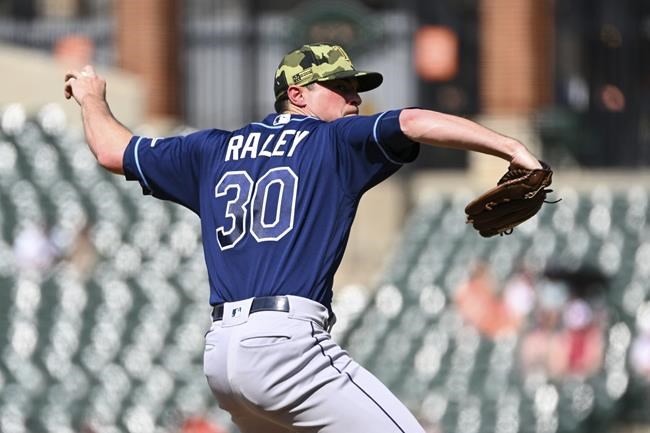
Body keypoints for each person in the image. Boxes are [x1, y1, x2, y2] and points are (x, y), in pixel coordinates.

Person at [64, 42, 542, 433]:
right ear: (297, 95)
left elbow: (112, 150)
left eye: (356, 91)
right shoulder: (332, 142)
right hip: (286, 346)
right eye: (341, 88)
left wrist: (90, 97)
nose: (354, 101)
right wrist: (512, 147)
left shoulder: (211, 149)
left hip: (223, 358)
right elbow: (413, 121)